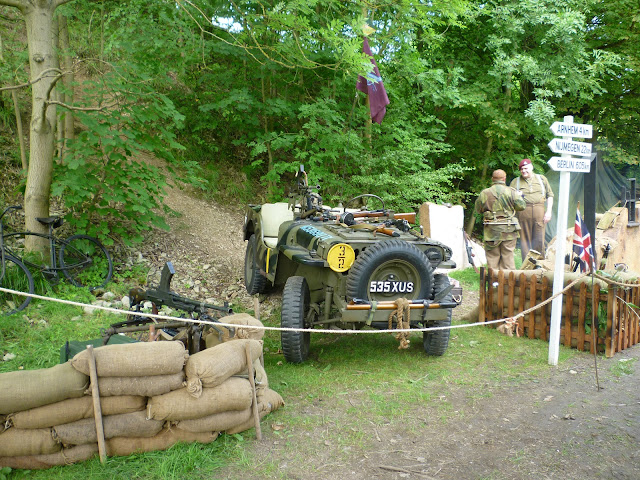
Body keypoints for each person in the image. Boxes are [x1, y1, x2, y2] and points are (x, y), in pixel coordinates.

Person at [475, 169, 526, 270]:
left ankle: (493, 283)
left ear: (492, 179)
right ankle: (508, 283)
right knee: (508, 258)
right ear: (504, 179)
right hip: (509, 230)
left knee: (492, 258)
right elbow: (522, 206)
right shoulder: (512, 192)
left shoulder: (484, 193)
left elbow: (478, 209)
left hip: (492, 230)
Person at [509, 158, 554, 260]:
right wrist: (516, 195)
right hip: (523, 212)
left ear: (531, 167)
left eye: (525, 168)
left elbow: (550, 195)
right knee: (525, 240)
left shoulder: (541, 179)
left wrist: (549, 212)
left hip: (539, 212)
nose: (523, 171)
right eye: (521, 169)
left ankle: (540, 265)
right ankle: (527, 265)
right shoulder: (515, 182)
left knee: (539, 239)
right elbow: (509, 198)